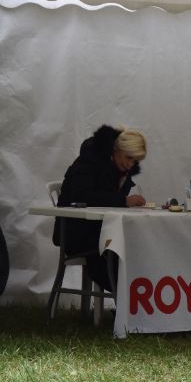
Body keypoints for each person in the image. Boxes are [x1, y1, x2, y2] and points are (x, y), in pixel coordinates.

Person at [55, 124, 148, 290]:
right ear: (116, 149)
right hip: (77, 232)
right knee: (123, 253)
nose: (130, 165)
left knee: (139, 247)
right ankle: (128, 306)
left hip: (101, 232)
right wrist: (124, 201)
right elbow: (81, 196)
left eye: (135, 161)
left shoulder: (120, 171)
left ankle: (129, 307)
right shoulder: (89, 161)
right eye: (128, 158)